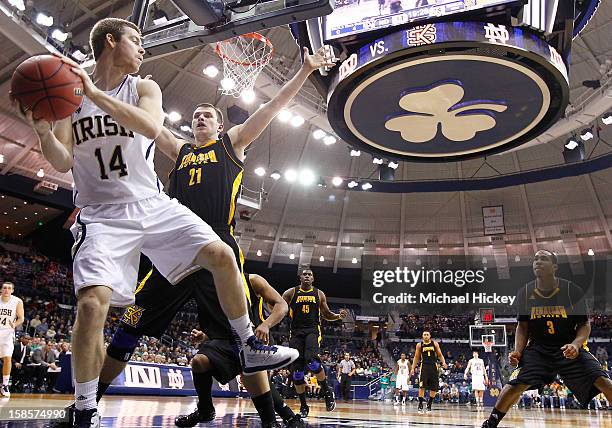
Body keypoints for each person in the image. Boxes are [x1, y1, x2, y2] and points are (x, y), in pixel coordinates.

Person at [13, 17, 298, 427]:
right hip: (101, 214)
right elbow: (62, 159)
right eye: (137, 40)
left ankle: (249, 344)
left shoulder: (144, 87)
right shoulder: (71, 101)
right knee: (93, 306)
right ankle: (85, 408)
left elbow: (149, 125)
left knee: (222, 254)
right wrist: (43, 131)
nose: (143, 49)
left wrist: (94, 93)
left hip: (151, 205)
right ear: (111, 41)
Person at [95, 42, 335, 427]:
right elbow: (147, 124)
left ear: (221, 125)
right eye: (196, 115)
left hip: (217, 248)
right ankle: (89, 404)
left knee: (245, 346)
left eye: (208, 115)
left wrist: (304, 71)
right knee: (129, 325)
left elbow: (271, 109)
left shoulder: (232, 144)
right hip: (172, 250)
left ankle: (273, 421)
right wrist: (128, 88)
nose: (200, 118)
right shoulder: (180, 150)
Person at [482, 249, 612, 427]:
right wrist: (518, 351)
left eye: (543, 259)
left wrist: (575, 344)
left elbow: (584, 324)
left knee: (604, 382)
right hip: (538, 349)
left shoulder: (571, 290)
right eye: (535, 259)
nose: (538, 262)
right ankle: (490, 423)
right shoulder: (525, 293)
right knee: (513, 385)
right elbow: (523, 326)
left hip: (568, 348)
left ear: (554, 267)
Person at [175, 273, 304, 428]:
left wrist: (266, 325)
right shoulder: (211, 284)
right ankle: (205, 409)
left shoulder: (252, 280)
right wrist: (205, 335)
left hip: (253, 337)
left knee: (257, 380)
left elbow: (282, 305)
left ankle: (284, 418)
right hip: (224, 341)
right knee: (199, 361)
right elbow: (222, 322)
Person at [282, 269, 348, 417]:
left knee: (313, 362)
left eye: (309, 274)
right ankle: (304, 406)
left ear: (313, 278)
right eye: (304, 274)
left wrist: (338, 316)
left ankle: (327, 391)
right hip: (296, 333)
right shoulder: (291, 293)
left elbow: (327, 314)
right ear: (300, 277)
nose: (307, 276)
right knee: (297, 374)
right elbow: (279, 307)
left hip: (312, 331)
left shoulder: (319, 294)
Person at [410, 330, 447, 413]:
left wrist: (443, 362)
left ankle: (429, 403)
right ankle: (420, 403)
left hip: (433, 365)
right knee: (422, 386)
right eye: (424, 335)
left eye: (427, 334)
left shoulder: (435, 344)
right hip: (424, 366)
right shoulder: (420, 345)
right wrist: (413, 367)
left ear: (430, 336)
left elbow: (440, 354)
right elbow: (416, 357)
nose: (426, 336)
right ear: (422, 336)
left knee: (434, 387)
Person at [0, 282, 24, 397]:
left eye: (9, 288)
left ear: (12, 290)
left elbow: (21, 318)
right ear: (1, 289)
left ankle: (5, 385)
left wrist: (14, 325)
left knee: (7, 358)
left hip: (8, 332)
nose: (6, 290)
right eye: (4, 288)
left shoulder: (17, 301)